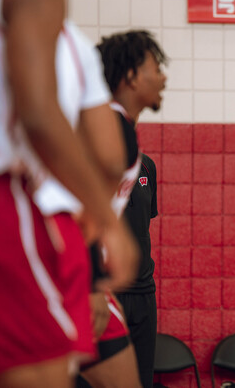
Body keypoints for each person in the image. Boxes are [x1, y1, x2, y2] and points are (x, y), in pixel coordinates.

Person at [0, 0, 138, 387]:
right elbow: (40, 115)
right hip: (23, 207)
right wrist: (108, 220)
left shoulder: (72, 41)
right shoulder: (43, 8)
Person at [79, 30, 165, 388]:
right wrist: (93, 286)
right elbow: (76, 212)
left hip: (107, 285)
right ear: (131, 76)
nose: (163, 77)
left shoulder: (120, 129)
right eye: (156, 67)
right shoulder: (106, 128)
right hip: (74, 281)